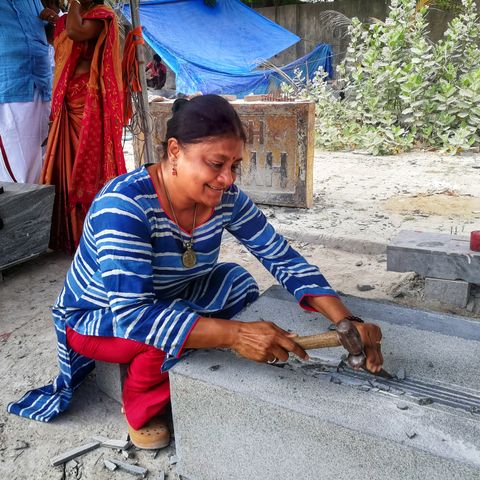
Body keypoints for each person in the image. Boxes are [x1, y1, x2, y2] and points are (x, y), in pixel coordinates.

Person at [8, 95, 383, 450]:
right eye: (216, 164)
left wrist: (346, 321)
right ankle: (140, 402)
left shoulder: (226, 198)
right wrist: (235, 335)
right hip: (101, 316)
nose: (228, 178)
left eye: (234, 165)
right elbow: (135, 315)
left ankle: (187, 341)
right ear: (175, 152)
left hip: (170, 295)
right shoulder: (124, 206)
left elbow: (281, 257)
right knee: (173, 324)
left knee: (236, 281)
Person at [39, 0, 126, 253]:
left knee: (84, 164)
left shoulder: (103, 15)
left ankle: (91, 231)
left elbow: (75, 32)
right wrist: (58, 19)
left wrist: (72, 6)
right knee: (65, 163)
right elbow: (62, 37)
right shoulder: (81, 15)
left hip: (88, 103)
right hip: (70, 99)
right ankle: (67, 232)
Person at [0, 0, 52, 184]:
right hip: (11, 88)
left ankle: (46, 211)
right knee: (21, 174)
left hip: (42, 84)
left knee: (48, 161)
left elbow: (49, 32)